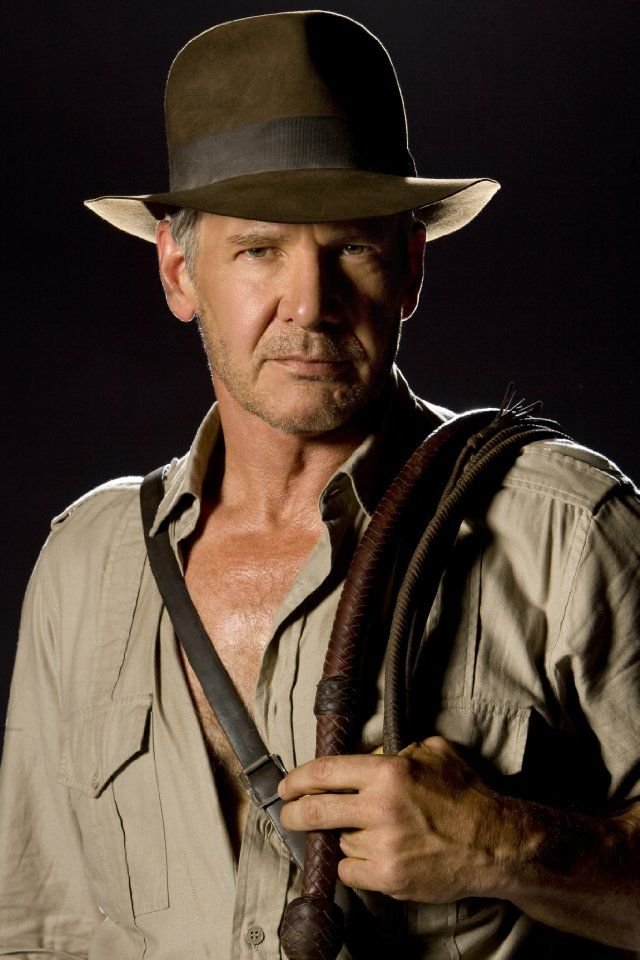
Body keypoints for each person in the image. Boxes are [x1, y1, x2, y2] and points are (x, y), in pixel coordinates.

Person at [0, 10, 638, 960]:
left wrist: (510, 846)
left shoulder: (568, 531)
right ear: (179, 270)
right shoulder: (85, 566)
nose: (310, 302)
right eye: (259, 249)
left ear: (410, 267)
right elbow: (38, 932)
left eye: (352, 248)